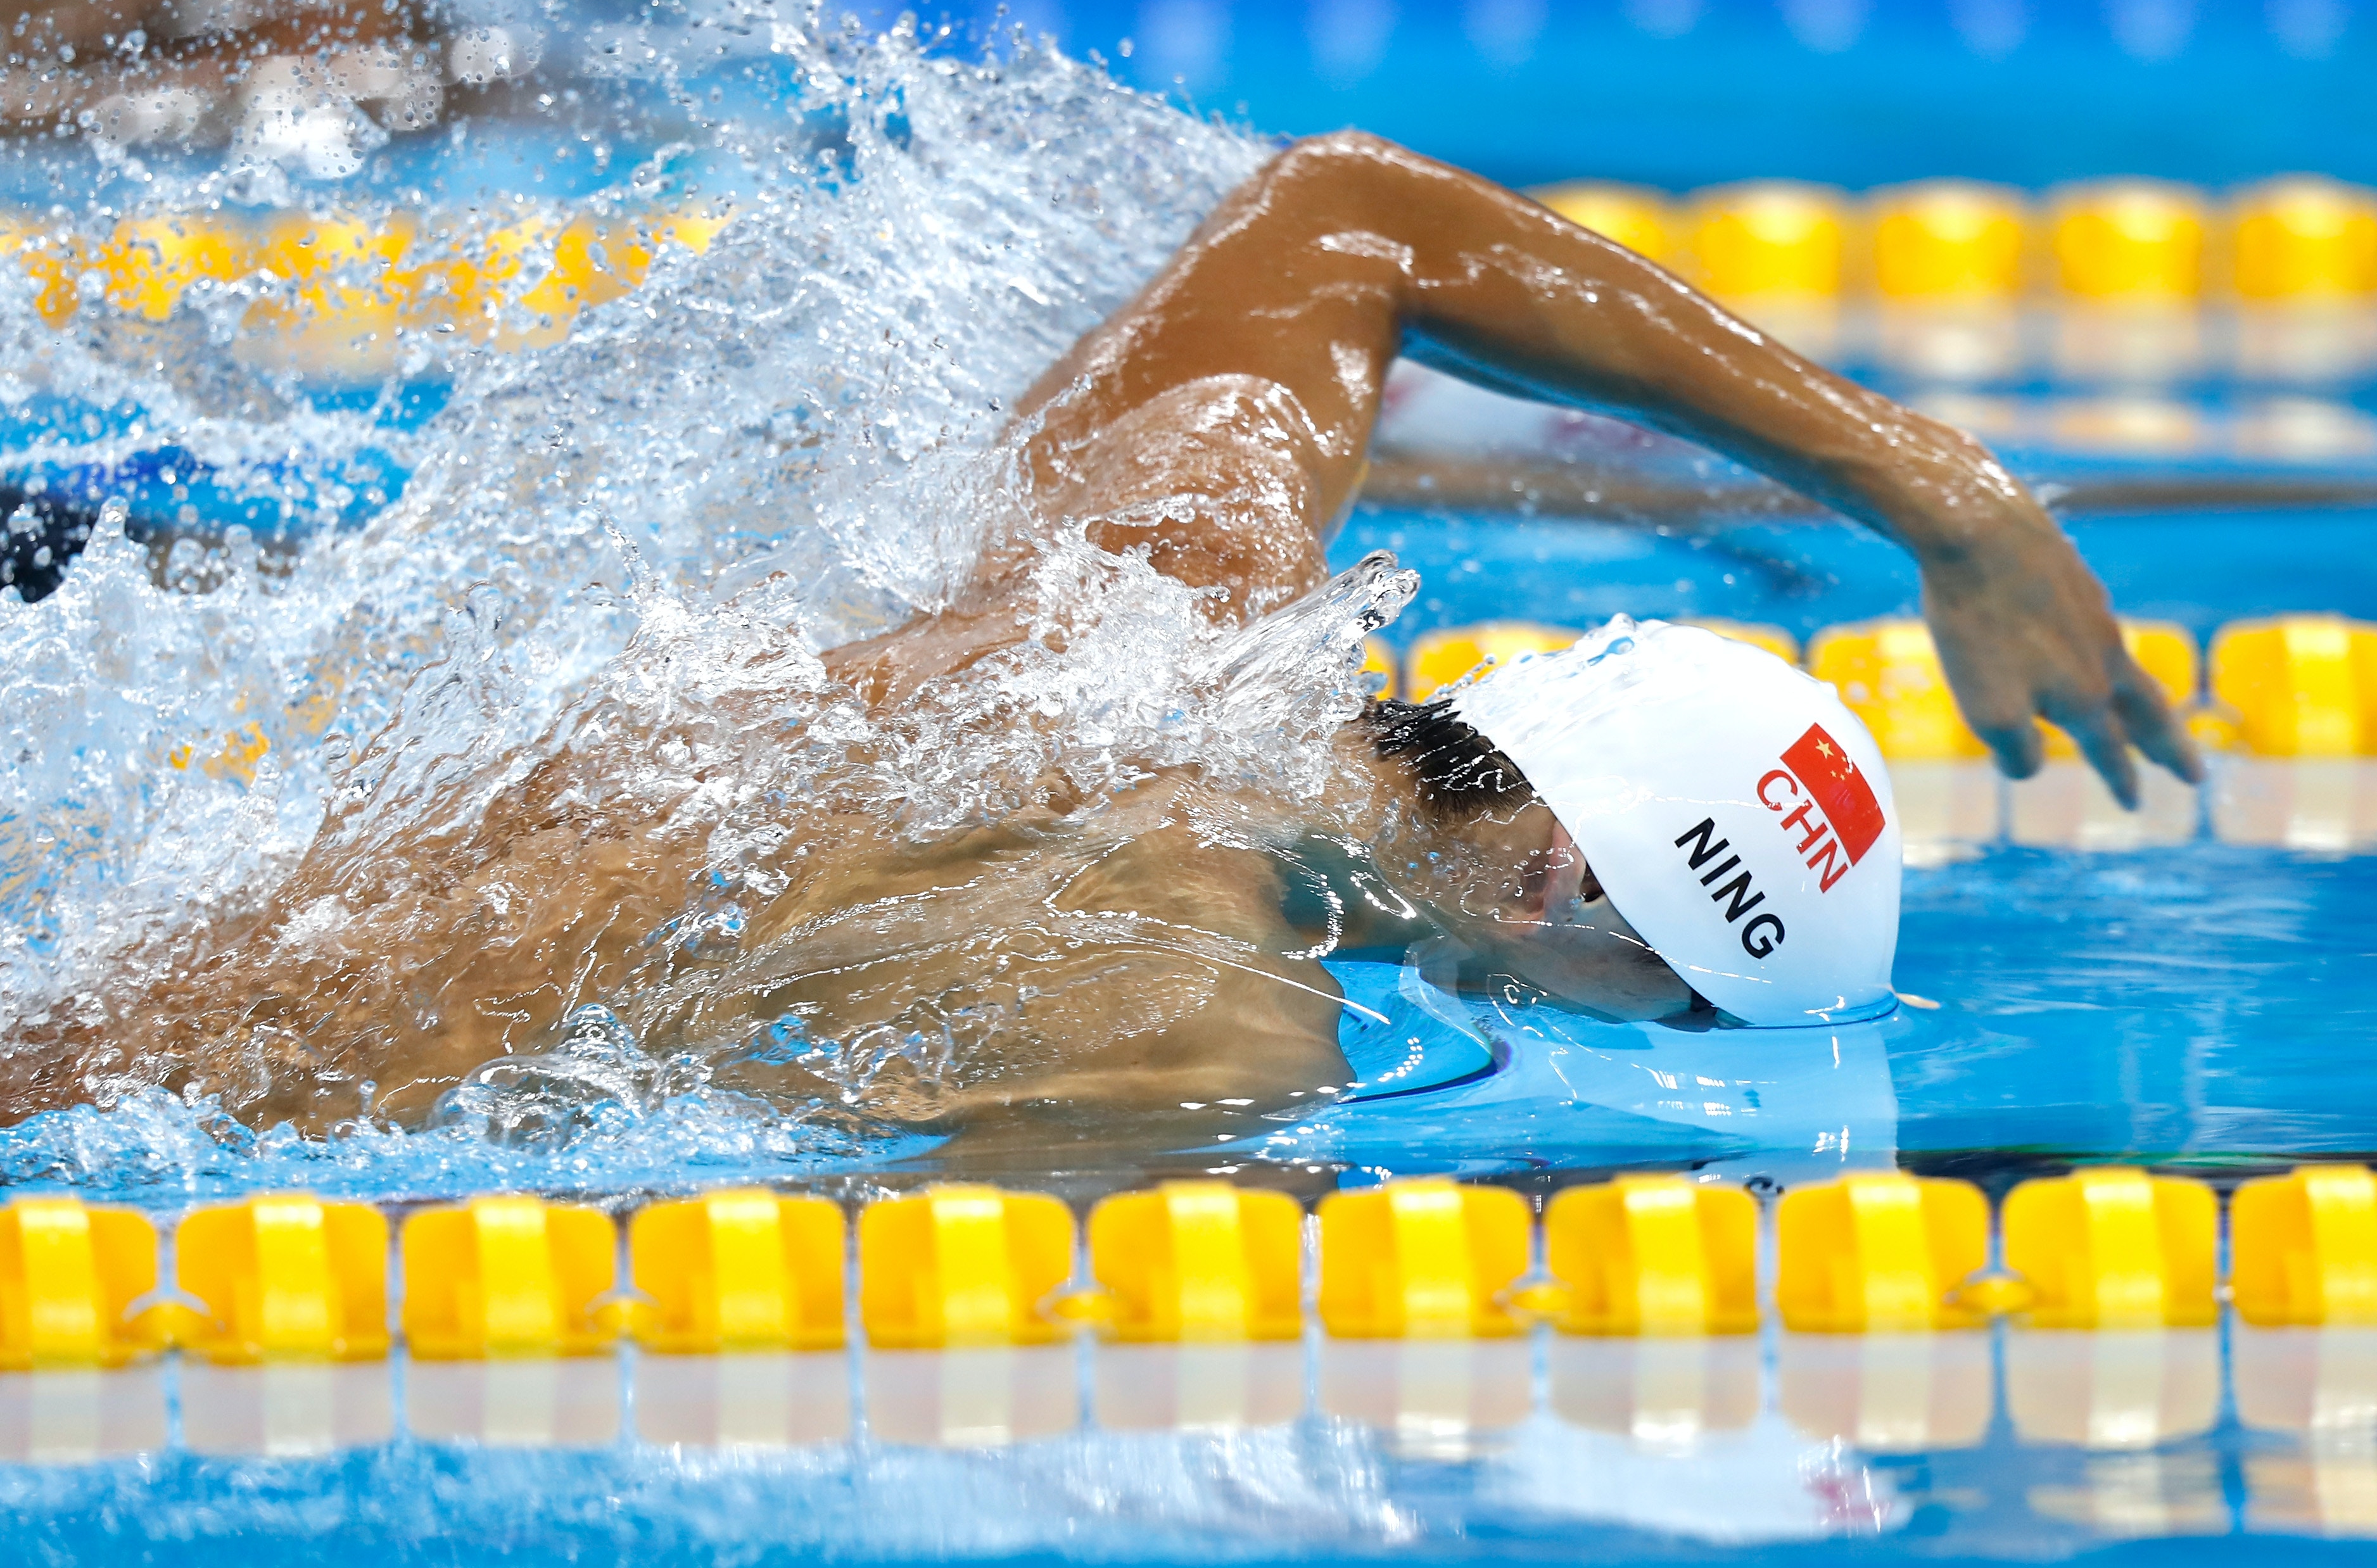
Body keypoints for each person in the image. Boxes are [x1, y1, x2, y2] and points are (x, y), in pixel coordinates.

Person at [0, 133, 2198, 1155]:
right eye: (1661, 996)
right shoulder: (1205, 1035)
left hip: (134, 976)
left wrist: (1942, 493)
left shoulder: (1152, 597)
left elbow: (1356, 216)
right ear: (1553, 883)